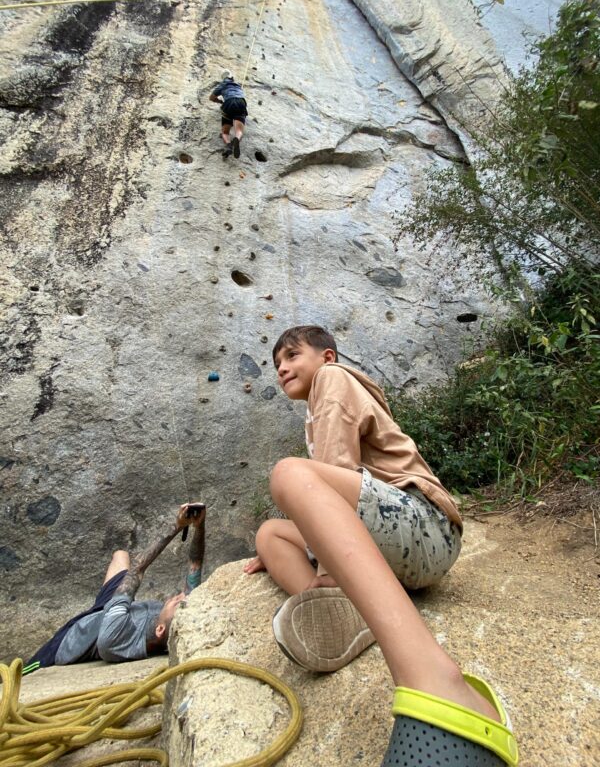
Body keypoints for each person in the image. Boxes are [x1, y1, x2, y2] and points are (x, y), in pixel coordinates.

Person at [244, 325, 518, 766]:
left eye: (293, 355)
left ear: (327, 357)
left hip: (426, 526)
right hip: (392, 538)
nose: (282, 368)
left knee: (289, 474)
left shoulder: (334, 380)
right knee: (270, 534)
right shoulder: (316, 406)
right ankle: (351, 613)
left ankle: (429, 675)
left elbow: (331, 470)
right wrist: (310, 536)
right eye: (277, 364)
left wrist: (324, 560)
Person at [23, 503, 206, 674]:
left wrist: (177, 525)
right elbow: (195, 563)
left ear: (159, 630)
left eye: (176, 604)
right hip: (112, 608)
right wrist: (198, 526)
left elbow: (137, 570)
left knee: (24, 672)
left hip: (71, 638)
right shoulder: (172, 620)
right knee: (120, 556)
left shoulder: (118, 636)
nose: (178, 598)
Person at [209, 69, 247, 159]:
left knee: (225, 131)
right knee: (239, 131)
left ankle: (229, 146)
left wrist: (219, 101)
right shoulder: (237, 85)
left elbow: (211, 98)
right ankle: (237, 139)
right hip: (240, 102)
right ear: (232, 77)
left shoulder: (222, 85)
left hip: (228, 103)